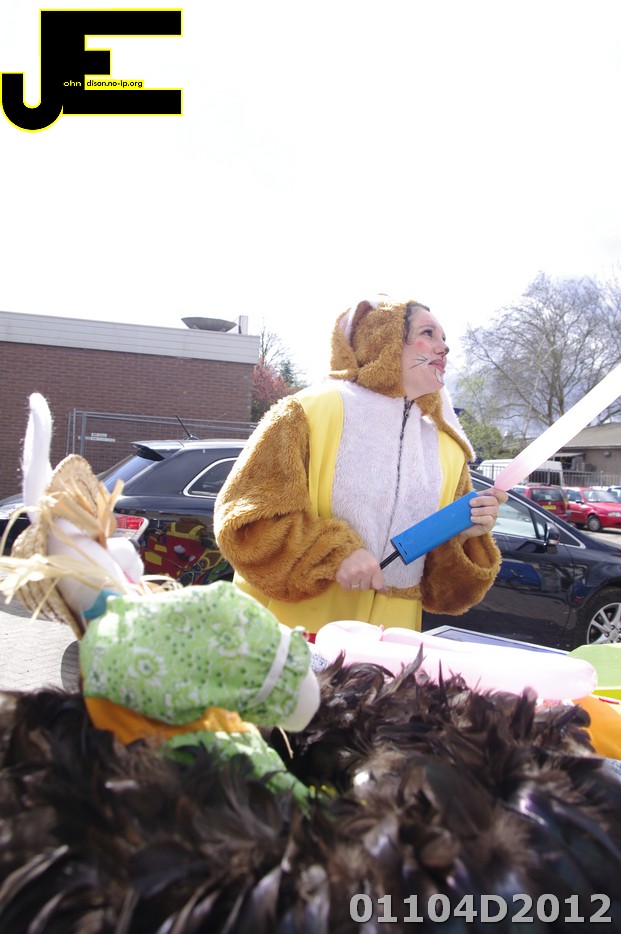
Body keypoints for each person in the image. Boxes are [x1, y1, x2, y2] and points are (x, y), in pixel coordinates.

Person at [214, 296, 507, 635]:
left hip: (388, 649)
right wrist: (334, 554)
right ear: (383, 338)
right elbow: (245, 524)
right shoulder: (307, 412)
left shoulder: (449, 448)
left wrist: (461, 536)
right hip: (287, 636)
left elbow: (448, 596)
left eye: (444, 338)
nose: (444, 348)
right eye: (428, 333)